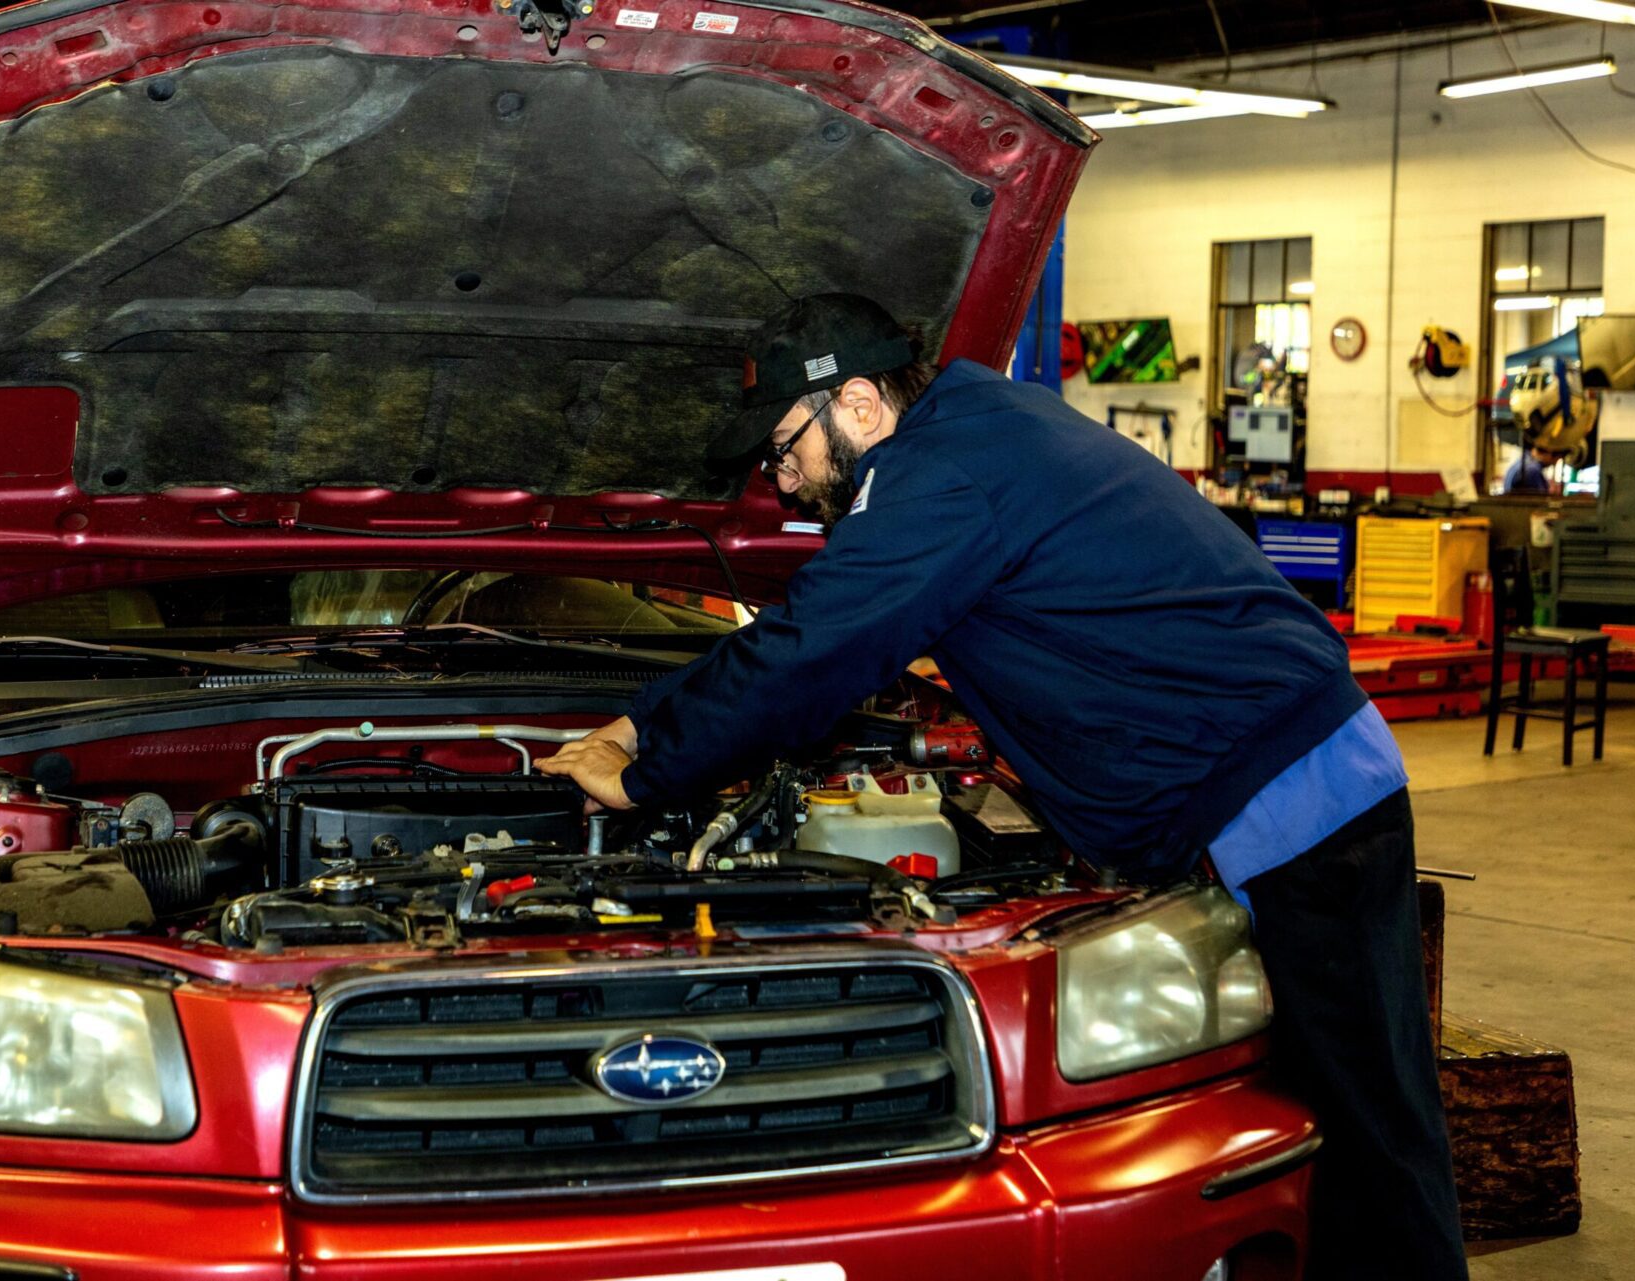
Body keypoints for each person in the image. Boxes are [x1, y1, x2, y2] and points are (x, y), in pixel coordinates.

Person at [539, 293, 1467, 1281]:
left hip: (1293, 797)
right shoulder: (974, 433)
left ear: (855, 405)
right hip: (1276, 779)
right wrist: (641, 720)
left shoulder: (943, 475)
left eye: (783, 450)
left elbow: (815, 649)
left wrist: (644, 771)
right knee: (1356, 1107)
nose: (782, 483)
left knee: (1365, 1128)